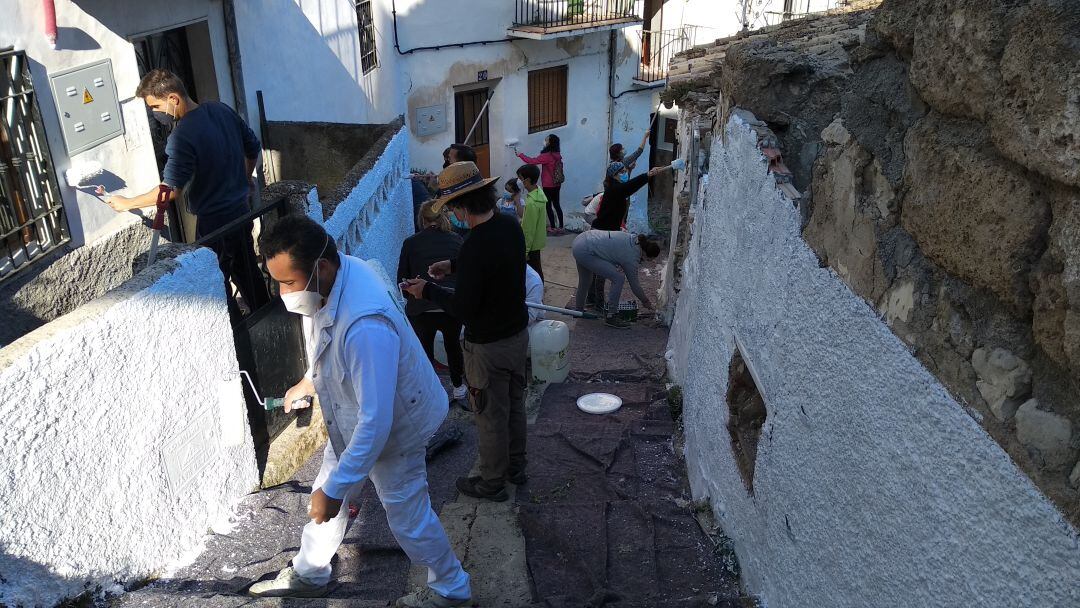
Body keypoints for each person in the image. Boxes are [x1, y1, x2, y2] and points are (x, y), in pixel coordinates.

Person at [248, 214, 471, 608]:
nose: (284, 294)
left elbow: (376, 421)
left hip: (395, 425)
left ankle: (452, 590)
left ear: (321, 267)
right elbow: (326, 343)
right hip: (350, 413)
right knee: (327, 489)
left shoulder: (366, 325)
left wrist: (336, 490)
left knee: (406, 515)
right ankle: (310, 572)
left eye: (288, 283)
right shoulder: (338, 275)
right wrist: (308, 380)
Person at [401, 161, 529, 503]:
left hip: (487, 346)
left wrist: (426, 291)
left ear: (460, 206)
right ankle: (517, 467)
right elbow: (496, 267)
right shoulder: (509, 227)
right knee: (515, 405)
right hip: (517, 336)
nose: (454, 215)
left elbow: (464, 309)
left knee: (488, 415)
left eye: (453, 207)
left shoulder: (473, 244)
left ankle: (491, 482)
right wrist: (455, 266)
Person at [107, 69, 268, 319]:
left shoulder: (182, 135)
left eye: (156, 106)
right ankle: (266, 317)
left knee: (213, 279)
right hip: (241, 212)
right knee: (247, 270)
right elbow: (253, 148)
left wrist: (127, 202)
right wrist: (245, 182)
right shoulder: (221, 109)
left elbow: (169, 191)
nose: (155, 113)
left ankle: (234, 331)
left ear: (173, 99)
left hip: (215, 222)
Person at [398, 201, 467, 401]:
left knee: (425, 349)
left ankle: (431, 392)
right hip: (450, 304)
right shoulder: (456, 239)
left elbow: (401, 277)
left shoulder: (410, 243)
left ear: (423, 220)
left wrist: (412, 297)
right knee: (453, 345)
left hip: (421, 306)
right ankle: (458, 387)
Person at [572, 229, 660, 329]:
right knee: (618, 278)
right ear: (644, 253)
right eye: (648, 259)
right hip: (586, 250)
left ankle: (578, 311)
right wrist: (645, 301)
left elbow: (613, 251)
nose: (644, 261)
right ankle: (611, 316)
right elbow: (634, 285)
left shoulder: (633, 239)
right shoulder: (633, 256)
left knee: (585, 280)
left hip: (582, 240)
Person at [592, 161, 667, 231]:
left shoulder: (616, 187)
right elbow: (630, 186)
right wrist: (648, 174)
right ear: (614, 175)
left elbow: (628, 187)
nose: (625, 173)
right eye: (622, 172)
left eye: (625, 171)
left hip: (609, 228)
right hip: (602, 230)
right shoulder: (614, 189)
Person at [515, 134, 564, 233]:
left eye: (546, 140)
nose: (544, 141)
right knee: (557, 204)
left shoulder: (547, 156)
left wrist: (520, 154)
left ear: (549, 143)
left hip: (548, 185)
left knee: (548, 205)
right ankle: (561, 226)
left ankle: (553, 227)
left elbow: (532, 161)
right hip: (557, 184)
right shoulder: (557, 155)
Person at [516, 164, 547, 282]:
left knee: (534, 272)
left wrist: (525, 251)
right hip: (537, 242)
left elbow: (528, 230)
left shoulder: (531, 203)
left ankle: (536, 295)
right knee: (536, 269)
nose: (518, 181)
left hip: (531, 244)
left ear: (527, 180)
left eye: (520, 178)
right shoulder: (539, 194)